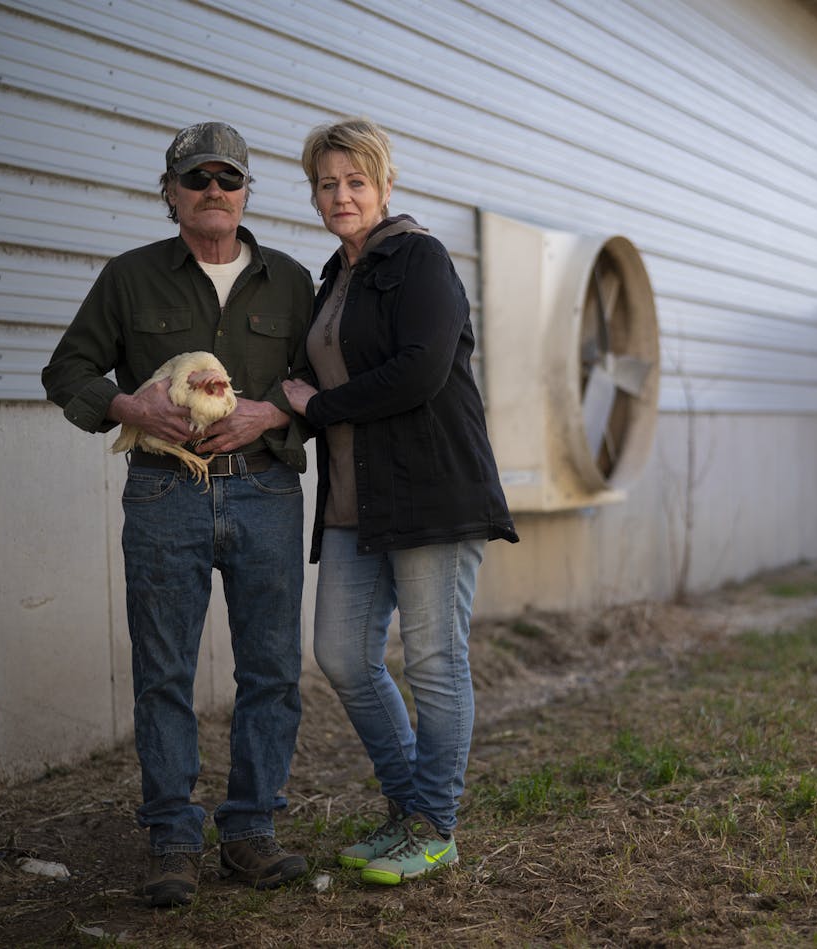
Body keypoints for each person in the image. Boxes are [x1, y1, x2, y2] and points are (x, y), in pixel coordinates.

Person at [42, 121, 315, 907]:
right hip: (165, 492)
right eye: (197, 179)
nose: (214, 191)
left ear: (246, 193)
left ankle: (251, 830)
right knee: (165, 672)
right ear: (170, 193)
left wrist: (272, 418)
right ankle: (172, 839)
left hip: (265, 490)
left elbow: (314, 387)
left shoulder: (291, 281)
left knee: (271, 670)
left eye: (229, 179)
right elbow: (66, 369)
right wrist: (127, 404)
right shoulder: (129, 279)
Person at [282, 117, 518, 885]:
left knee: (435, 662)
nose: (341, 194)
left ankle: (433, 823)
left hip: (431, 492)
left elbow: (420, 371)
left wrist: (317, 408)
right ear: (314, 195)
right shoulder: (332, 278)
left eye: (356, 181)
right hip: (357, 502)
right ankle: (407, 807)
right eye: (328, 183)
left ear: (385, 187)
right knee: (345, 654)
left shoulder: (420, 258)